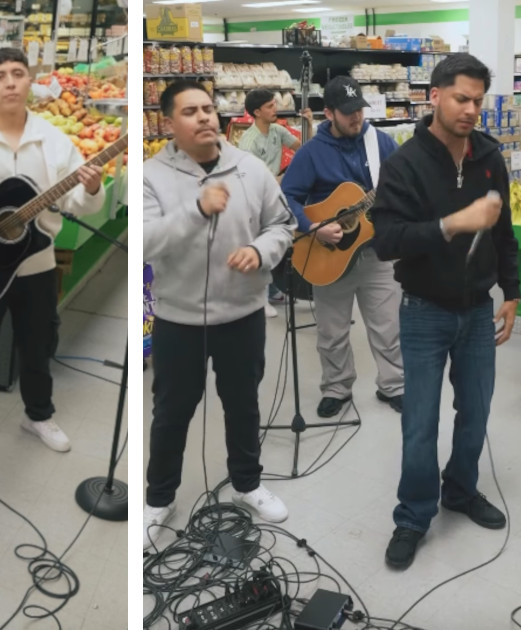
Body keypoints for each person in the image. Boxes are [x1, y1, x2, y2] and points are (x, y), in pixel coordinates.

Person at [371, 53, 518, 570]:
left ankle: (460, 489)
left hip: (478, 310)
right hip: (423, 311)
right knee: (420, 422)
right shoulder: (405, 163)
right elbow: (385, 241)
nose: (471, 110)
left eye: (478, 100)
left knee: (475, 413)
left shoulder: (488, 157)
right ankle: (412, 516)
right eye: (461, 98)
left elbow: (502, 234)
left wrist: (512, 292)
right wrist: (454, 222)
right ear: (434, 96)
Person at [143, 80, 296, 550]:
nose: (206, 117)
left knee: (243, 403)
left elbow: (282, 225)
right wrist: (195, 207)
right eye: (191, 111)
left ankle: (247, 482)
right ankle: (159, 496)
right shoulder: (151, 174)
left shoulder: (250, 169)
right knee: (172, 411)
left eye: (209, 108)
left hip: (243, 314)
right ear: (170, 123)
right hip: (179, 320)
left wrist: (260, 250)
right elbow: (147, 242)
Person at [0, 47, 104, 455]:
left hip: (37, 262)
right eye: (0, 76)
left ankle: (39, 415)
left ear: (31, 81)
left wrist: (93, 186)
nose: (10, 82)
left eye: (18, 73)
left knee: (38, 344)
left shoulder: (54, 140)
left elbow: (80, 202)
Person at [280, 76, 405, 418]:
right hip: (328, 257)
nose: (356, 118)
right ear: (329, 114)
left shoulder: (380, 143)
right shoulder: (311, 153)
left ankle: (393, 385)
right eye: (348, 113)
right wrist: (312, 227)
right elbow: (286, 196)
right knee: (332, 332)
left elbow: (404, 184)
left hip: (377, 253)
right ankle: (337, 387)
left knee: (388, 326)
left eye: (359, 111)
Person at [238, 88, 309, 318]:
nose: (275, 109)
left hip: (277, 193)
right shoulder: (249, 141)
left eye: (274, 104)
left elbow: (305, 149)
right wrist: (286, 177)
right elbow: (254, 178)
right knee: (261, 244)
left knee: (280, 242)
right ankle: (259, 298)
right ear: (257, 112)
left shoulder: (277, 130)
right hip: (255, 197)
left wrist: (309, 124)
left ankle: (275, 289)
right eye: (269, 106)